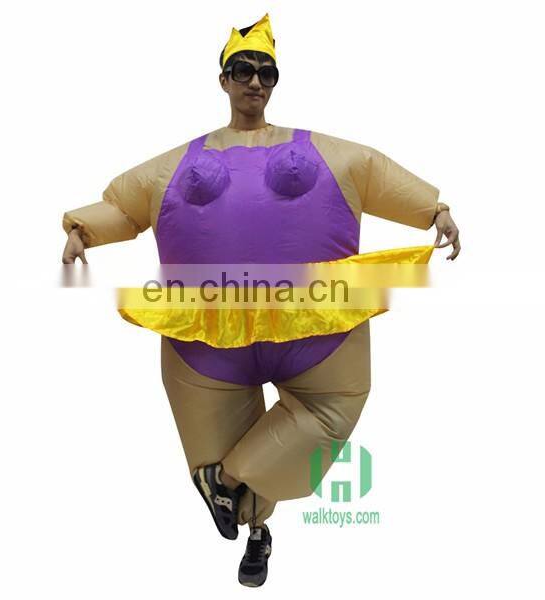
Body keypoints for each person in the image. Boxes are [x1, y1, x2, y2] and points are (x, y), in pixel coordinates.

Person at [61, 13, 461, 587]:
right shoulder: (174, 163)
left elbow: (371, 172)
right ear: (223, 79)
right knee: (211, 459)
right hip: (205, 330)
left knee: (320, 419)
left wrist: (433, 210)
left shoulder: (323, 149)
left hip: (316, 321)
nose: (255, 81)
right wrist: (83, 230)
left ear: (275, 81)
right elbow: (126, 205)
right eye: (243, 70)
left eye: (266, 72)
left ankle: (230, 487)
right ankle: (256, 529)